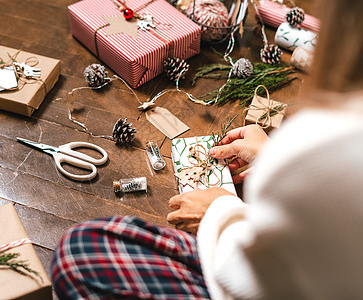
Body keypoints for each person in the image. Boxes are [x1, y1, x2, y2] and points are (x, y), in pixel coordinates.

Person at [51, 0, 363, 298]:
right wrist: (271, 160)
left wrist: (220, 213)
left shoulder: (328, 148)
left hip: (259, 278)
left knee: (77, 254)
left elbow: (262, 282)